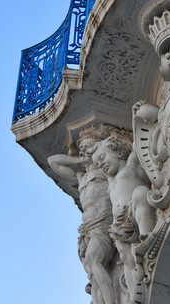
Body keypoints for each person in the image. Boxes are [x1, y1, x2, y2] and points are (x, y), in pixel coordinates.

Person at [48, 125, 117, 304]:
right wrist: (78, 161)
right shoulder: (81, 177)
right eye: (83, 149)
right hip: (86, 229)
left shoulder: (107, 171)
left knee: (95, 261)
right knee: (93, 274)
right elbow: (53, 161)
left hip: (103, 222)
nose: (85, 151)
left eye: (89, 147)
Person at [89, 133, 156, 302]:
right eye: (98, 163)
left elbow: (140, 145)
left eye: (103, 157)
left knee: (141, 193)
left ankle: (146, 238)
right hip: (119, 224)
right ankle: (136, 291)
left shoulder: (131, 166)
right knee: (126, 259)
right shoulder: (110, 182)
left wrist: (139, 116)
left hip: (133, 210)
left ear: (118, 152)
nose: (101, 163)